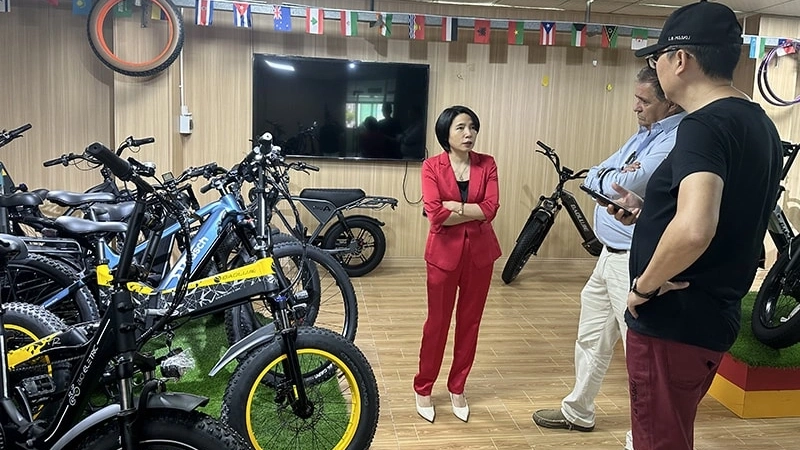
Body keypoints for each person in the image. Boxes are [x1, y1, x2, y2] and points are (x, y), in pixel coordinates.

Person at [609, 2, 782, 449]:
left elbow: (694, 230)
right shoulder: (757, 122)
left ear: (680, 59)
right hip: (712, 317)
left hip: (674, 323)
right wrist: (649, 210)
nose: (657, 67)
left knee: (660, 441)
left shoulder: (703, 127)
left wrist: (643, 287)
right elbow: (726, 215)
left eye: (657, 58)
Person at [532, 67, 685, 450]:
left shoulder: (676, 138)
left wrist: (614, 176)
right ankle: (577, 411)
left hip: (635, 259)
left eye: (644, 100)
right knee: (591, 336)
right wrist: (613, 174)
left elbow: (622, 187)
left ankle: (642, 439)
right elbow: (596, 173)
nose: (635, 106)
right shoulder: (646, 133)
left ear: (669, 102)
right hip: (609, 256)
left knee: (641, 354)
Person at [414, 105, 502, 423]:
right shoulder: (431, 167)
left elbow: (491, 208)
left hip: (480, 256)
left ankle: (457, 386)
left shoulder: (487, 163)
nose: (469, 133)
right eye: (461, 128)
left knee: (470, 323)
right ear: (446, 134)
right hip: (442, 256)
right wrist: (469, 209)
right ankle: (423, 387)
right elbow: (435, 213)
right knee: (436, 324)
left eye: (472, 127)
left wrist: (457, 205)